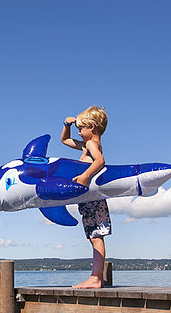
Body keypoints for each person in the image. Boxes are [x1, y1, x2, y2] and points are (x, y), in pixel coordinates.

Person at [61, 106, 111, 289]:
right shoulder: (86, 145)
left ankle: (95, 278)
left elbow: (100, 161)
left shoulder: (91, 145)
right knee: (94, 236)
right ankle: (95, 276)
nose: (79, 132)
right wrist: (67, 125)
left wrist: (85, 176)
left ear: (92, 126)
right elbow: (64, 139)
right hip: (89, 199)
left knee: (96, 236)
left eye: (81, 129)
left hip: (93, 199)